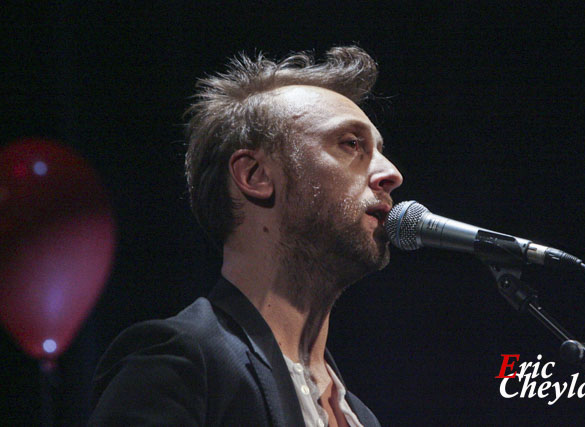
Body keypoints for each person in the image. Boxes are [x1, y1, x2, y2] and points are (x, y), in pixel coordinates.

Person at [90, 46, 403, 426]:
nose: (391, 173)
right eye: (351, 144)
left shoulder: (360, 416)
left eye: (379, 150)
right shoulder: (182, 363)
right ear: (256, 175)